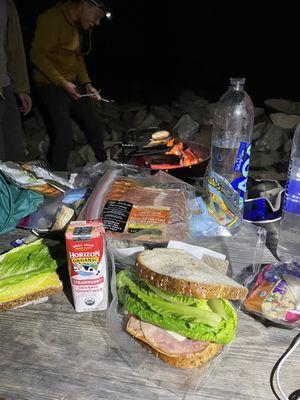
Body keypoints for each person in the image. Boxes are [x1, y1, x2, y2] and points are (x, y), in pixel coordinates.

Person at [30, 0, 110, 171]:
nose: (97, 22)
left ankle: (106, 165)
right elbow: (37, 56)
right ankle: (58, 178)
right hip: (49, 83)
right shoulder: (51, 19)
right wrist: (62, 82)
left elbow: (78, 58)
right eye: (96, 16)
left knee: (93, 123)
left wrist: (87, 83)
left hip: (70, 81)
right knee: (64, 133)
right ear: (84, 5)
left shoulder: (79, 25)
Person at [0, 0, 32, 161]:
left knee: (14, 152)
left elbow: (14, 46)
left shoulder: (8, 4)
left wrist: (21, 87)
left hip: (4, 85)